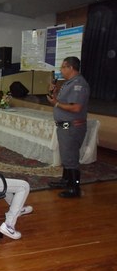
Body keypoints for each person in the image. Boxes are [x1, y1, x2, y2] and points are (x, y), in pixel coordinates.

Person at [46, 56, 90, 198]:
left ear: (71, 68)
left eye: (63, 67)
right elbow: (61, 101)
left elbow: (76, 107)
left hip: (72, 127)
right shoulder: (68, 83)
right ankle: (66, 181)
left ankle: (74, 187)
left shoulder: (79, 84)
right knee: (66, 156)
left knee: (71, 157)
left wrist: (56, 104)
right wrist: (54, 92)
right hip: (64, 126)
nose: (61, 70)